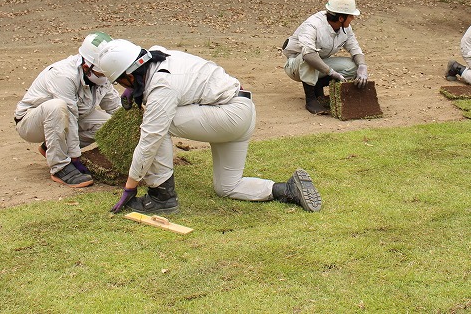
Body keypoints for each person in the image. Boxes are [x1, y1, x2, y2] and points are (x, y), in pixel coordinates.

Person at [97, 39, 323, 214]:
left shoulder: (161, 88)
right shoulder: (157, 54)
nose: (120, 86)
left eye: (120, 82)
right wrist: (132, 90)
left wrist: (130, 187)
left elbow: (149, 141)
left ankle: (161, 197)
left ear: (129, 74)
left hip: (228, 115)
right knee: (227, 187)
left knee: (156, 126)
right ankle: (288, 190)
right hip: (240, 110)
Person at [14, 32, 121, 188]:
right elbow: (69, 115)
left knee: (109, 125)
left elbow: (115, 107)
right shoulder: (63, 75)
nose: (105, 77)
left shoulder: (101, 75)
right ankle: (60, 167)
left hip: (68, 118)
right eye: (101, 73)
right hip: (30, 122)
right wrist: (75, 157)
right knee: (57, 106)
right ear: (86, 66)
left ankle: (51, 148)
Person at [282, 0, 369, 115]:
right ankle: (311, 99)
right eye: (351, 16)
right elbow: (309, 55)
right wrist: (332, 73)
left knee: (354, 66)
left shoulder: (346, 28)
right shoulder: (313, 25)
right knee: (310, 57)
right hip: (295, 66)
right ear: (341, 18)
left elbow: (355, 49)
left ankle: (317, 87)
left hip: (319, 65)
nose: (353, 18)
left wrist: (362, 67)